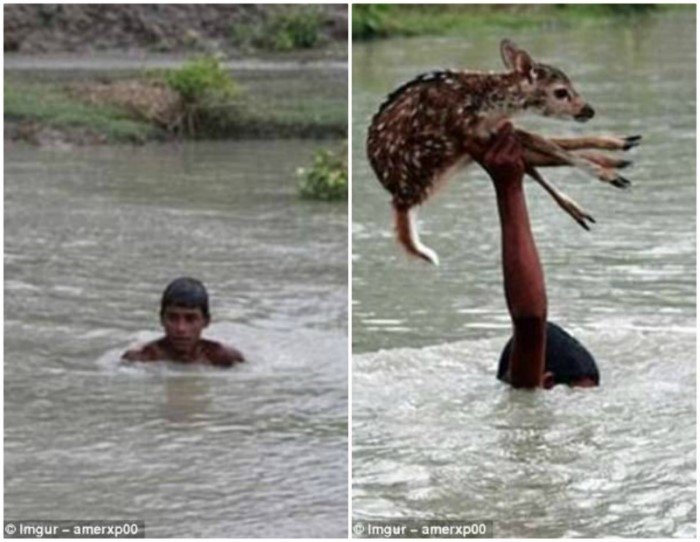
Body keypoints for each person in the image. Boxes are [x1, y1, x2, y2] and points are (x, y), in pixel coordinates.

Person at [479, 123, 599, 389]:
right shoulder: (527, 394)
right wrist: (509, 189)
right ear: (547, 383)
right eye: (579, 396)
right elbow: (530, 321)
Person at [122, 277, 244, 367]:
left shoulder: (223, 358)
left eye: (190, 319)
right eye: (173, 318)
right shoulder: (140, 359)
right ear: (162, 319)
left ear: (206, 321)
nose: (181, 328)